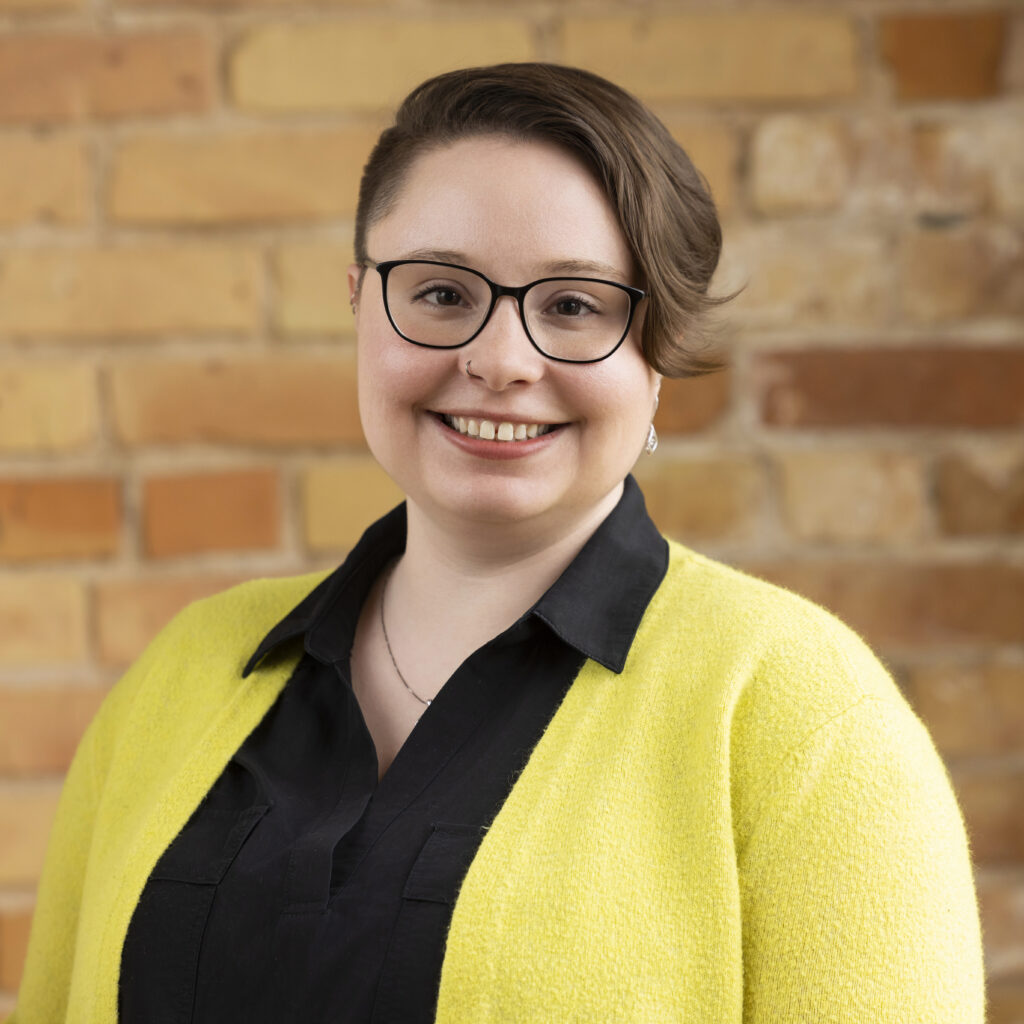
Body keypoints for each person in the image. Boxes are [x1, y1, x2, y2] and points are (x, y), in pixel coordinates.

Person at [11, 63, 983, 1023]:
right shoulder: (187, 672)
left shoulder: (798, 715)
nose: (499, 361)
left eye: (573, 306)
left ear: (655, 355)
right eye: (440, 292)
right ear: (360, 301)